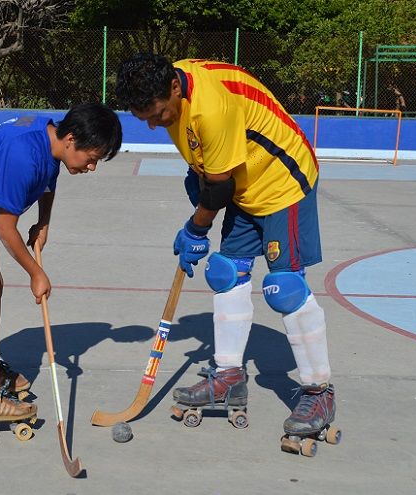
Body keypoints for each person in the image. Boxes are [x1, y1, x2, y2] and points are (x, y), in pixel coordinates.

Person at [116, 54, 336, 440]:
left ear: (173, 88)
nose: (153, 124)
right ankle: (229, 377)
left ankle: (319, 392)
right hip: (244, 182)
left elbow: (219, 189)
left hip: (283, 181)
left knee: (284, 289)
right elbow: (206, 164)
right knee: (226, 273)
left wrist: (195, 230)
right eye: (144, 118)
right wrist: (195, 175)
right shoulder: (174, 83)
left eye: (157, 114)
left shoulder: (211, 107)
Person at [0, 103, 122, 425]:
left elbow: (49, 175)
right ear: (71, 139)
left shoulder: (49, 134)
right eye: (92, 158)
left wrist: (44, 222)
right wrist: (36, 273)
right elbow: (5, 227)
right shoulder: (23, 157)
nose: (91, 167)